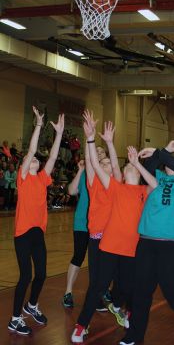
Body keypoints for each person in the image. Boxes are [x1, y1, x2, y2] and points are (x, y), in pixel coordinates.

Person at [71, 112, 156, 344]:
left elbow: (152, 183)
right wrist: (90, 139)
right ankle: (82, 324)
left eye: (111, 162)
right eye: (106, 162)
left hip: (127, 248)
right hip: (102, 241)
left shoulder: (134, 189)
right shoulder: (105, 184)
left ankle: (121, 307)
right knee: (98, 285)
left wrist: (115, 147)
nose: (110, 164)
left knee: (125, 286)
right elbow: (94, 166)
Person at [119, 141, 174, 345]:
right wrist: (138, 162)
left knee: (173, 291)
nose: (172, 163)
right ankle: (134, 336)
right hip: (148, 240)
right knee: (140, 291)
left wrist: (165, 152)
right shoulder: (159, 179)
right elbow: (148, 171)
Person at [8, 106, 64, 336]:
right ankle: (15, 318)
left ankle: (32, 305)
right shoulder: (23, 178)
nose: (35, 162)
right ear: (25, 164)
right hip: (22, 234)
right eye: (31, 161)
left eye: (36, 162)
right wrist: (39, 125)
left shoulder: (42, 179)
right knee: (25, 276)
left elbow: (52, 156)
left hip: (37, 233)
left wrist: (59, 134)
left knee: (41, 274)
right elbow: (31, 151)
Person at [62, 159, 90, 308]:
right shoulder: (84, 173)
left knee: (99, 260)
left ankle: (98, 293)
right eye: (96, 151)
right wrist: (80, 170)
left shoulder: (107, 174)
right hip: (82, 222)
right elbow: (72, 191)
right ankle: (68, 292)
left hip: (101, 223)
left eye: (101, 152)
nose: (97, 154)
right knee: (78, 255)